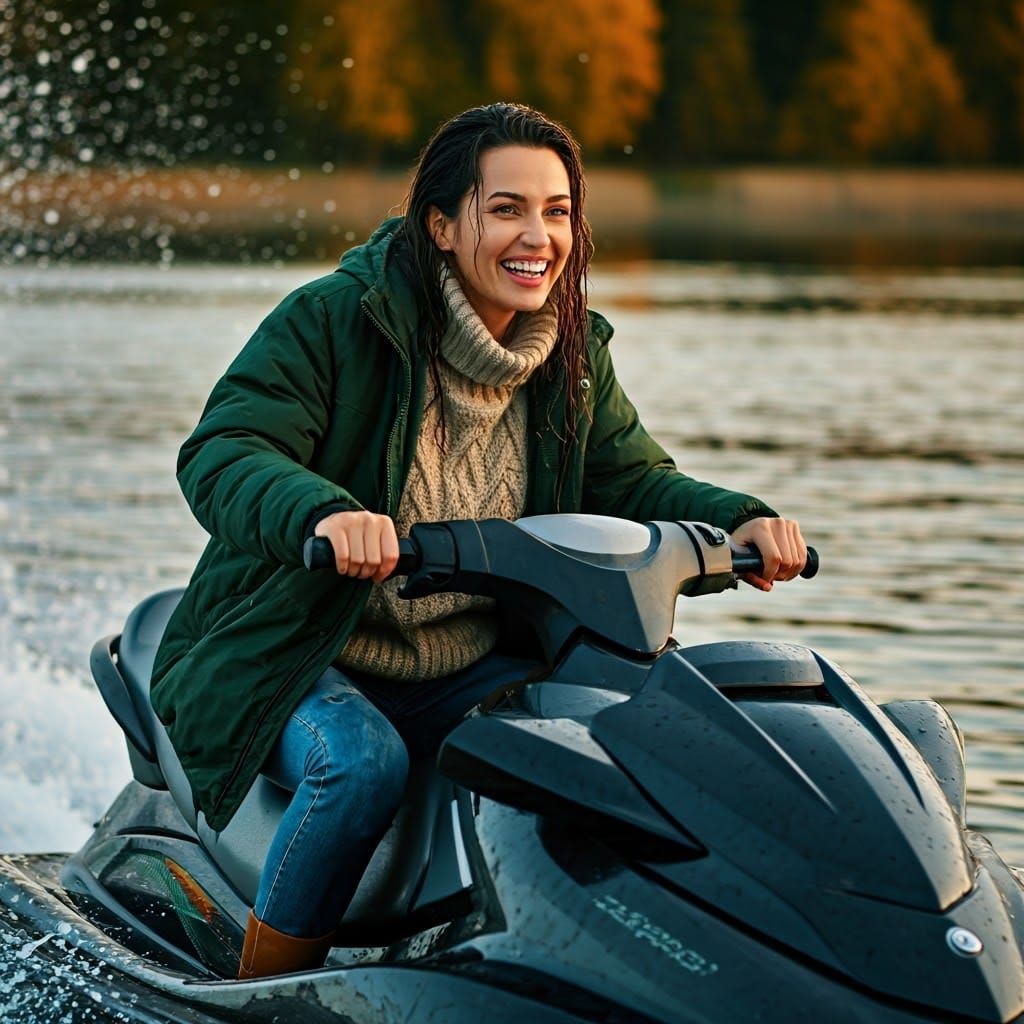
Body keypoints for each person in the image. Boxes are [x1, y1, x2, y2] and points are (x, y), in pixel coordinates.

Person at [150, 102, 807, 979]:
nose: (538, 235)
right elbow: (227, 450)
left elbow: (633, 483)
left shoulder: (572, 355)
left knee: (642, 733)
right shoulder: (337, 321)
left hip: (467, 660)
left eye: (558, 210)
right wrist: (321, 513)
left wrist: (739, 520)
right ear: (443, 225)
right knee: (360, 764)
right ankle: (264, 990)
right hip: (302, 648)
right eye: (507, 209)